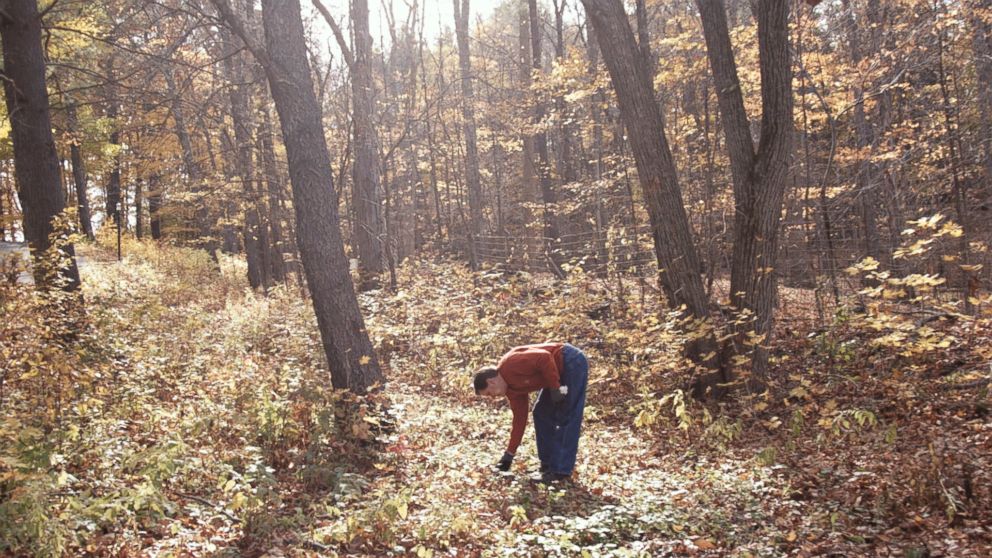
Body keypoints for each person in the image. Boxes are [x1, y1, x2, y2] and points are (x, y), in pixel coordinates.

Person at [473, 342, 589, 483]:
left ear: (491, 382)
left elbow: (544, 358)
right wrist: (509, 455)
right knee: (540, 413)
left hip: (570, 360)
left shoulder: (510, 365)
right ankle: (547, 466)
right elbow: (520, 420)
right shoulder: (512, 391)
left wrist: (554, 387)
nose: (493, 397)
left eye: (489, 393)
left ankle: (560, 471)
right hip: (554, 373)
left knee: (566, 415)